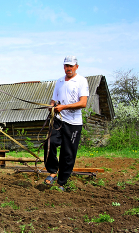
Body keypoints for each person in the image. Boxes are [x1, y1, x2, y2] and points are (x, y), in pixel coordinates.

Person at [43, 55, 89, 191]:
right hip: (59, 119)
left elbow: (83, 103)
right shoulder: (59, 81)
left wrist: (63, 107)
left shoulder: (81, 81)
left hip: (73, 123)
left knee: (68, 153)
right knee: (49, 143)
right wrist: (52, 106)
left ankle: (62, 182)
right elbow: (54, 100)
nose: (68, 68)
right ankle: (52, 171)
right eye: (66, 66)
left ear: (76, 67)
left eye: (71, 66)